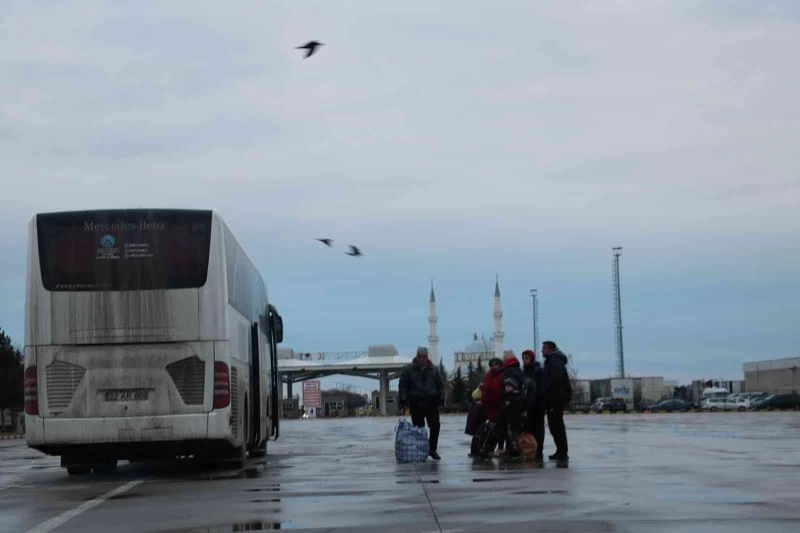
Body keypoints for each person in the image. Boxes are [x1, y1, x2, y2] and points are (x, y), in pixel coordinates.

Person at [399, 346, 445, 460]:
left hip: (431, 403)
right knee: (419, 429)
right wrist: (404, 401)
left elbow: (440, 385)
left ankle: (432, 449)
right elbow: (403, 385)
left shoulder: (434, 370)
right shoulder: (408, 369)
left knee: (435, 426)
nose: (422, 359)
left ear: (427, 357)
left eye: (424, 357)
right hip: (416, 403)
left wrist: (441, 398)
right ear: (416, 356)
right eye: (419, 356)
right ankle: (421, 451)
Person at [542, 340, 572, 461]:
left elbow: (555, 380)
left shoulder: (554, 362)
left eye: (544, 348)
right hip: (554, 398)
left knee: (557, 426)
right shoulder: (552, 361)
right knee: (555, 426)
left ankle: (562, 452)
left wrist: (546, 390)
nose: (542, 350)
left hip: (555, 399)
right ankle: (560, 451)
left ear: (550, 349)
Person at [498, 350, 526, 460]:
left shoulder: (508, 371)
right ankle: (513, 449)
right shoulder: (518, 369)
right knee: (515, 430)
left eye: (504, 358)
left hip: (510, 404)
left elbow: (507, 386)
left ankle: (512, 451)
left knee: (510, 430)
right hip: (517, 403)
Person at [521, 349, 545, 461]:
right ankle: (529, 451)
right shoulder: (523, 372)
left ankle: (539, 451)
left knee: (538, 430)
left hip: (537, 406)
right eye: (524, 358)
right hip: (527, 406)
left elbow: (541, 388)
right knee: (528, 430)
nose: (525, 360)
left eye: (527, 358)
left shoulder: (538, 371)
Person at [480, 357, 506, 454]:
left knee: (501, 429)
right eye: (492, 365)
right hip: (490, 407)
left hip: (500, 406)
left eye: (496, 364)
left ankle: (500, 447)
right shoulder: (488, 376)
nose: (494, 367)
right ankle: (489, 448)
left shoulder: (503, 375)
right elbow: (486, 389)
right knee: (492, 429)